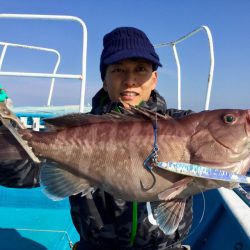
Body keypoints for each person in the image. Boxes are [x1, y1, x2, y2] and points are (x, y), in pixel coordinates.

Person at [0, 27, 193, 250]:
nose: (129, 80)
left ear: (154, 79)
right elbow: (26, 172)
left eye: (140, 69)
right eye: (118, 70)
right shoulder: (80, 131)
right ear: (104, 80)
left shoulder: (183, 124)